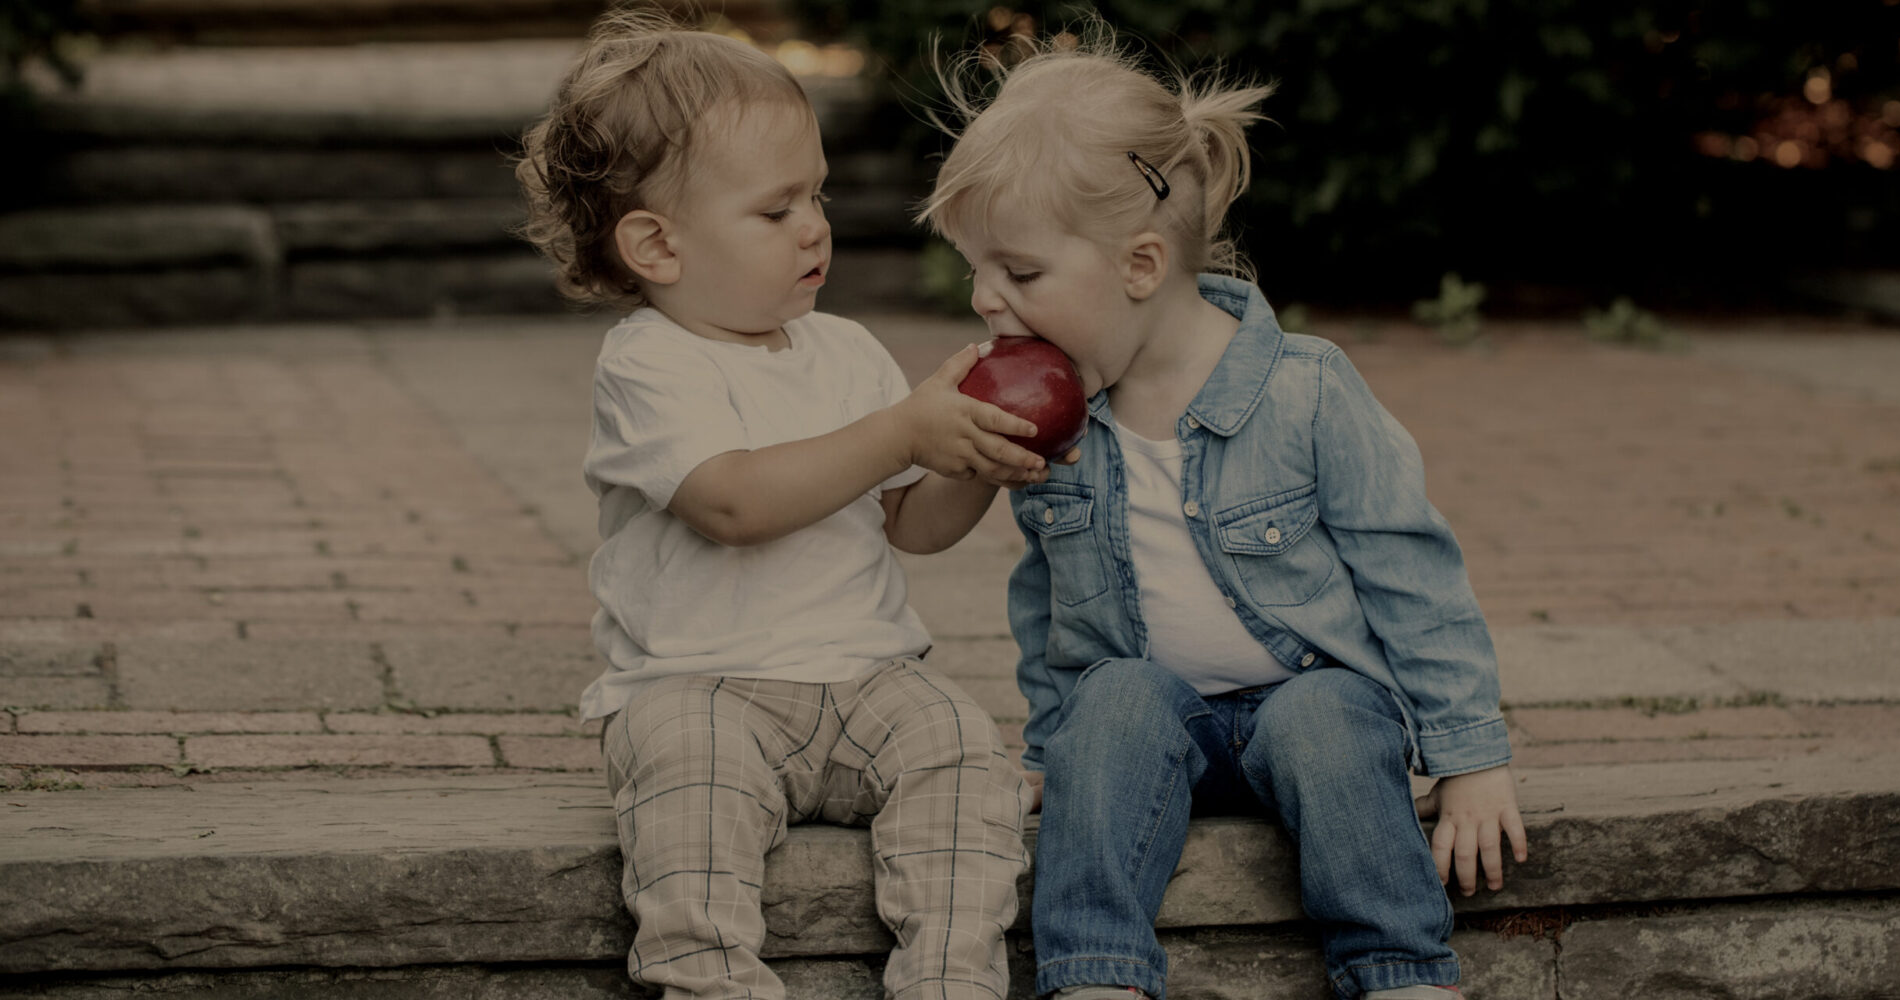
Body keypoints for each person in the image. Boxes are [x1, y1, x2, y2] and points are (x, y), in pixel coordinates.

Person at [914, 27, 1529, 1000]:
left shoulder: (1306, 392)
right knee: (1107, 702)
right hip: (1156, 722)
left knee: (1332, 717)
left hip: (1301, 697)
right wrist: (1045, 749)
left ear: (1140, 263)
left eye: (1019, 274)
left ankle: (1399, 970)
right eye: (974, 271)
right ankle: (1094, 973)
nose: (986, 300)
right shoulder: (1058, 417)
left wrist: (1469, 756)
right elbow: (1045, 596)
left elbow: (1412, 573)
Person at [515, 12, 1053, 999]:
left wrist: (969, 457)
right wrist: (898, 433)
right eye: (774, 211)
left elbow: (910, 524)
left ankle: (948, 978)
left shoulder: (843, 350)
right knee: (688, 792)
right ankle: (712, 980)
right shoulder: (649, 363)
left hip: (866, 679)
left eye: (817, 195)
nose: (814, 226)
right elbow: (729, 501)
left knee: (965, 752)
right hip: (702, 687)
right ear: (656, 245)